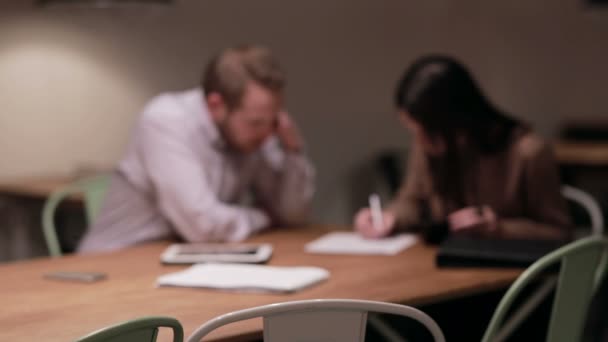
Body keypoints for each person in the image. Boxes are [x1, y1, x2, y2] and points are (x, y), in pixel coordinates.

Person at [79, 45, 315, 252]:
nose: (266, 134)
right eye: (255, 123)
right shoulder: (166, 120)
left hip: (186, 259)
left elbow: (292, 216)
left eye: (273, 121)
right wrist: (263, 217)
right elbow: (203, 226)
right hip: (116, 261)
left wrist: (293, 151)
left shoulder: (255, 134)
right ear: (216, 105)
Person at [355, 55, 571, 241]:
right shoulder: (429, 149)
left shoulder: (527, 153)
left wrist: (498, 227)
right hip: (447, 266)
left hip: (509, 278)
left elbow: (559, 232)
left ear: (457, 121)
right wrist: (390, 217)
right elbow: (411, 199)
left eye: (427, 133)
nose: (419, 142)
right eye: (415, 133)